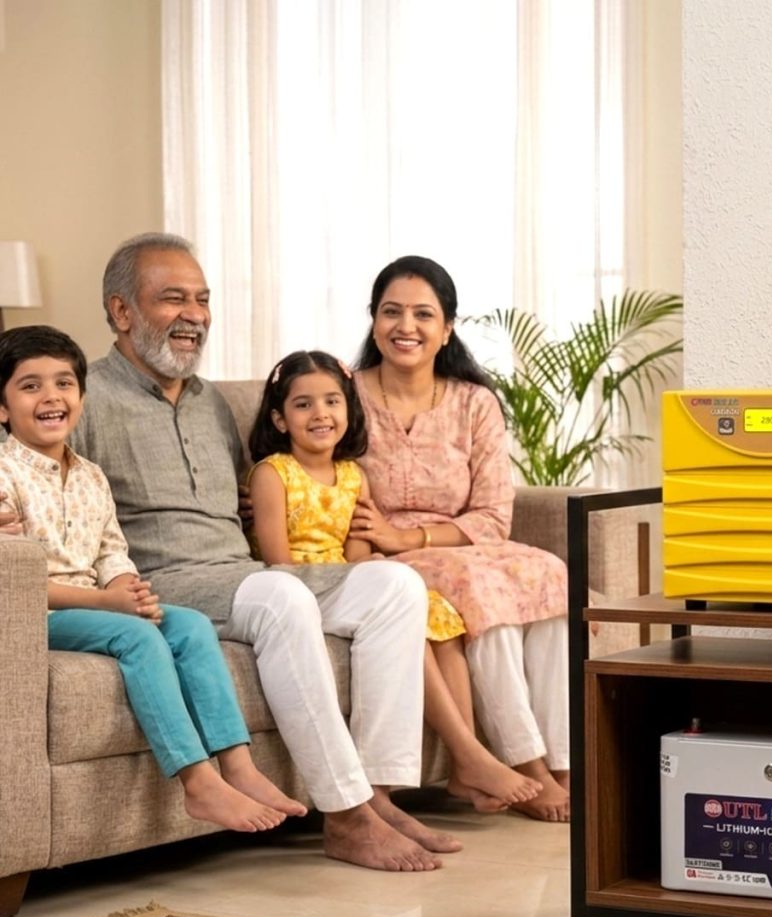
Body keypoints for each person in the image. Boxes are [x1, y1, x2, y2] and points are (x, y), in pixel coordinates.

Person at [70, 232, 460, 871]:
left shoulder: (210, 402)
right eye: (173, 299)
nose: (194, 315)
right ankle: (345, 816)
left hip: (243, 573)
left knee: (395, 587)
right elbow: (34, 469)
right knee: (281, 595)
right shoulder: (85, 395)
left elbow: (251, 491)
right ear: (121, 311)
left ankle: (378, 794)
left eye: (202, 300)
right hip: (165, 581)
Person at [0, 324, 307, 833]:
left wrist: (127, 588)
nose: (51, 396)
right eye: (30, 386)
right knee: (138, 636)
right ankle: (197, 782)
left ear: (81, 397)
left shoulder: (91, 475)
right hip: (42, 614)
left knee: (190, 625)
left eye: (64, 383)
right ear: (3, 407)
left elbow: (112, 550)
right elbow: (14, 583)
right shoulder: (4, 474)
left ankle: (239, 767)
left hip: (98, 605)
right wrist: (108, 604)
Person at [246, 349, 542, 813]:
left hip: (346, 585)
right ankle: (470, 755)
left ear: (348, 409)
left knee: (438, 617)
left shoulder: (353, 476)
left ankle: (464, 764)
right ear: (280, 419)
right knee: (401, 613)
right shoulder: (272, 474)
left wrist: (373, 576)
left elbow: (359, 557)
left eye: (331, 401)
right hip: (298, 589)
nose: (320, 414)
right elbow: (277, 563)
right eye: (303, 405)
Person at [350, 256, 571, 822]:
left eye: (423, 314)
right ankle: (525, 763)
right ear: (374, 320)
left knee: (550, 573)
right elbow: (302, 462)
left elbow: (494, 516)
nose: (406, 326)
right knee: (479, 587)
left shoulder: (475, 402)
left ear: (447, 328)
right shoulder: (345, 397)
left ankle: (564, 763)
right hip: (383, 558)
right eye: (392, 312)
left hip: (459, 543)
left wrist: (413, 535)